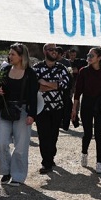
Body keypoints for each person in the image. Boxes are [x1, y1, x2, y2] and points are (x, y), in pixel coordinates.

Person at [0, 43, 39, 184]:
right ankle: (6, 171)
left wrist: (32, 115)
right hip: (6, 110)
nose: (9, 56)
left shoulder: (30, 73)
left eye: (13, 54)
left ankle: (18, 176)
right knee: (0, 142)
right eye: (9, 54)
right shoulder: (5, 69)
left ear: (21, 56)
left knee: (21, 146)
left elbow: (33, 95)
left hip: (23, 111)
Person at [70, 47, 101, 173]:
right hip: (86, 105)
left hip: (100, 106)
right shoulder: (83, 71)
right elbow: (77, 92)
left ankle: (99, 162)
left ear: (99, 58)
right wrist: (74, 109)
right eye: (88, 55)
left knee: (99, 135)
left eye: (92, 55)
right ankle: (84, 153)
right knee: (87, 133)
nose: (89, 57)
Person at [32, 43, 71, 174]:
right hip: (41, 108)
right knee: (43, 136)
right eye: (51, 49)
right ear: (45, 51)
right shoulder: (37, 68)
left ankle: (50, 156)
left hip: (57, 108)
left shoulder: (62, 68)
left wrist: (46, 83)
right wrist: (54, 85)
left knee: (54, 135)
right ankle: (46, 162)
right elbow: (35, 86)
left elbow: (66, 84)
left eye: (55, 49)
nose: (54, 51)